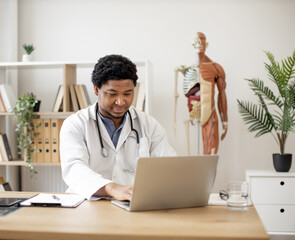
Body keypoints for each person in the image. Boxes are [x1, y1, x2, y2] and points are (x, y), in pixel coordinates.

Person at [60, 54, 176, 201]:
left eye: (127, 93)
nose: (121, 102)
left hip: (131, 206)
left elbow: (168, 166)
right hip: (86, 205)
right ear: (96, 90)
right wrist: (111, 188)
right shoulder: (76, 124)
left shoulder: (149, 125)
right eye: (112, 94)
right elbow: (74, 169)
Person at [174, 32, 228, 155]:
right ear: (192, 44)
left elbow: (222, 94)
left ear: (206, 44)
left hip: (210, 111)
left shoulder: (216, 68)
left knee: (211, 153)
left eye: (201, 40)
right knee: (189, 155)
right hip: (192, 113)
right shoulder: (188, 68)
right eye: (196, 40)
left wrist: (225, 120)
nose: (198, 43)